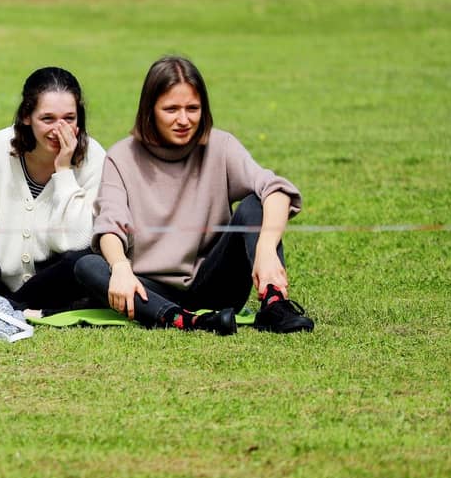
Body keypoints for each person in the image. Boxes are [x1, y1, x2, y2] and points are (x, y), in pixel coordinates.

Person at [76, 55, 315, 335]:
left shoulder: (221, 146)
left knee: (256, 204)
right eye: (171, 109)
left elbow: (276, 190)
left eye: (193, 108)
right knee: (88, 265)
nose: (183, 120)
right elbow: (110, 225)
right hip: (149, 289)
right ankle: (185, 320)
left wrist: (265, 250)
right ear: (149, 110)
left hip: (215, 284)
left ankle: (274, 305)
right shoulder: (121, 157)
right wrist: (119, 267)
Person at [0, 67, 106, 311]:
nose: (59, 130)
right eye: (47, 119)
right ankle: (0, 303)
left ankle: (9, 306)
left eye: (69, 118)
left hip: (59, 279)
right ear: (26, 116)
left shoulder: (94, 157)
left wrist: (64, 171)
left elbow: (75, 242)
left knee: (83, 261)